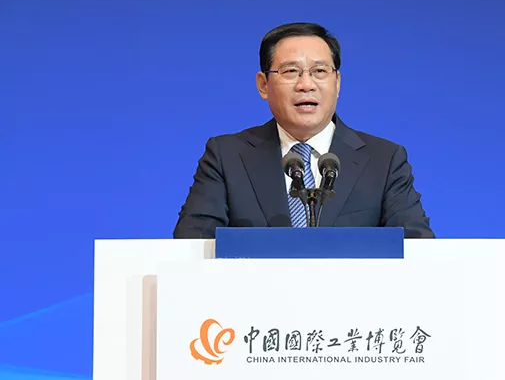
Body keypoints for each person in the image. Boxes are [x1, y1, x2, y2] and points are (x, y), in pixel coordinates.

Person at [173, 22, 435, 239]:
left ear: (337, 82)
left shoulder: (384, 159)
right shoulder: (226, 156)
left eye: (320, 71)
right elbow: (192, 245)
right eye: (290, 71)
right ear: (263, 85)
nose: (306, 84)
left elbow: (417, 249)